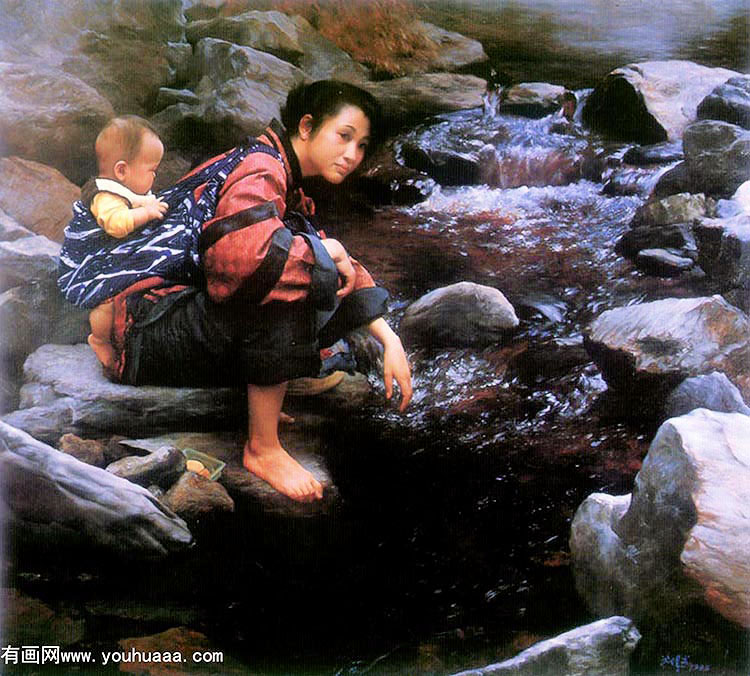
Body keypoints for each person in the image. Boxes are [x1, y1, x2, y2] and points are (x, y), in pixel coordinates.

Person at [101, 80, 413, 503]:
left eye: (361, 145)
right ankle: (262, 448)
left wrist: (388, 338)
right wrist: (323, 253)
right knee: (285, 279)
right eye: (344, 136)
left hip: (163, 322)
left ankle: (261, 398)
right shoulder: (260, 168)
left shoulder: (280, 171)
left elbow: (333, 261)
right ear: (306, 126)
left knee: (309, 264)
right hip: (142, 334)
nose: (353, 155)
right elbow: (244, 261)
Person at [81, 116, 169, 371]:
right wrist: (147, 213)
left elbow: (137, 202)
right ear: (122, 171)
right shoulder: (105, 196)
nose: (155, 175)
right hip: (95, 261)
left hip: (115, 254)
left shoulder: (125, 189)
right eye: (152, 170)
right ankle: (98, 339)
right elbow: (118, 224)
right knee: (106, 300)